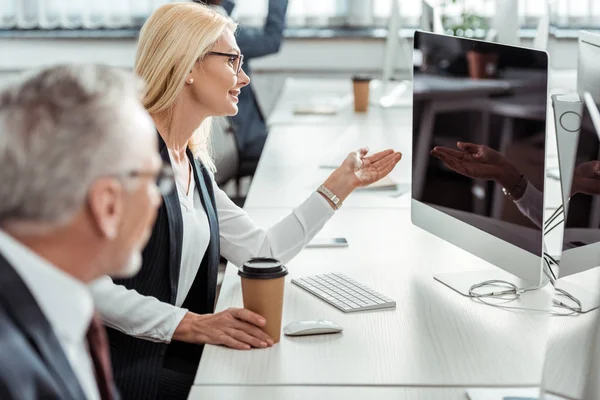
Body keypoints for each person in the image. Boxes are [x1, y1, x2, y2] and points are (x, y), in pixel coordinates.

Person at [89, 3, 402, 400]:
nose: (245, 76)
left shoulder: (190, 164)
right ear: (187, 65)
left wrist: (340, 184)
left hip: (167, 356)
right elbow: (85, 283)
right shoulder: (125, 153)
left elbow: (263, 252)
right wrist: (189, 324)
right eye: (233, 61)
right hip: (122, 372)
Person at [0, 64, 164, 399]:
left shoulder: (62, 305)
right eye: (155, 180)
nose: (158, 200)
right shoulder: (10, 371)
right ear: (107, 205)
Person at [204, 0, 288, 162]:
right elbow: (271, 41)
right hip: (242, 137)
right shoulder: (218, 31)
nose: (244, 78)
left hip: (234, 133)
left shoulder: (201, 17)